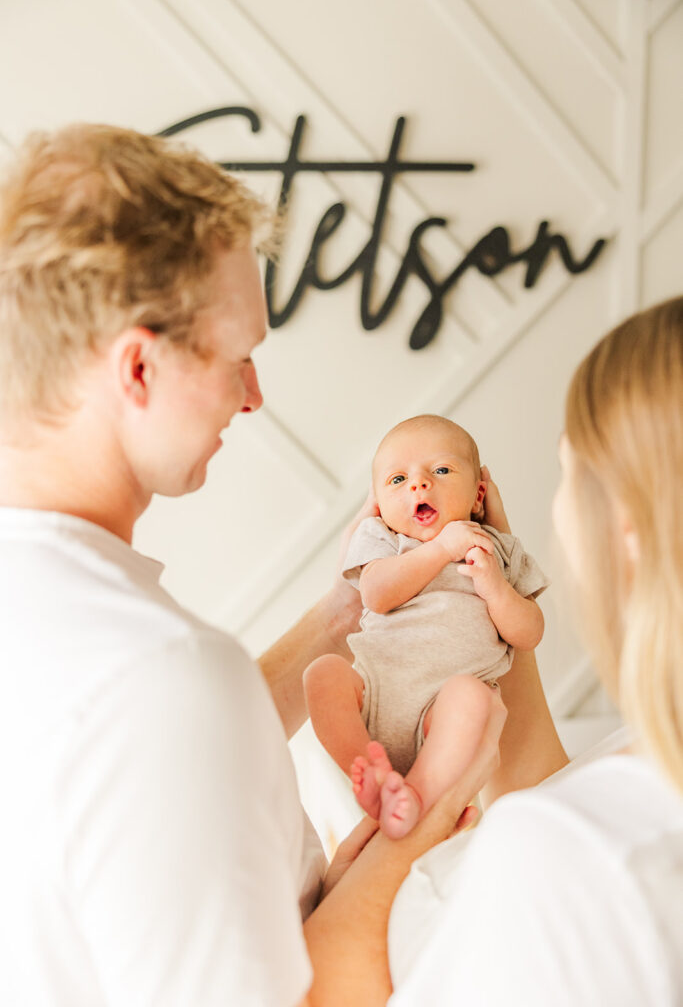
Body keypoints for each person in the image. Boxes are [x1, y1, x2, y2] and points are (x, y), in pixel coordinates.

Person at [0, 122, 511, 1007]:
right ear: (138, 368)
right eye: (239, 356)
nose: (253, 394)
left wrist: (342, 614)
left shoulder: (70, 631)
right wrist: (411, 832)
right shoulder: (159, 679)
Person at [389, 297, 683, 1006]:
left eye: (568, 471)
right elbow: (555, 795)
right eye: (398, 480)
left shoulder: (567, 855)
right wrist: (483, 596)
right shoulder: (639, 766)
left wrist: (384, 855)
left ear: (628, 526)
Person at [304, 415, 547, 837]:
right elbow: (376, 594)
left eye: (440, 470)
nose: (418, 484)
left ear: (479, 495)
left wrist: (496, 588)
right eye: (398, 479)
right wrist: (439, 550)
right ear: (378, 503)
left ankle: (416, 794)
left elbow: (529, 633)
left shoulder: (498, 548)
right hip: (376, 694)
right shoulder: (383, 539)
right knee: (322, 675)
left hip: (445, 711)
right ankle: (373, 774)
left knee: (473, 698)